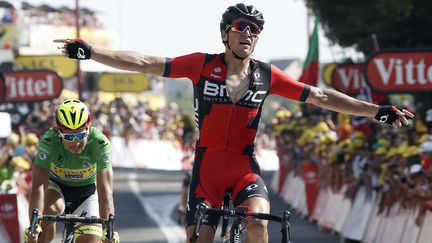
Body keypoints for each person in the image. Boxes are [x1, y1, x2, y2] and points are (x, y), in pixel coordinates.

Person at [54, 3, 413, 243]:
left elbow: (320, 96)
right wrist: (92, 52)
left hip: (244, 168)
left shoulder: (268, 76)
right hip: (207, 169)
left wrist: (375, 110)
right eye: (242, 27)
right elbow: (146, 61)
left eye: (256, 30)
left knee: (258, 224)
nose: (249, 34)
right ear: (225, 33)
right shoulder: (200, 64)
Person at [24, 99, 119, 243]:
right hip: (57, 189)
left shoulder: (100, 143)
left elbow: (105, 190)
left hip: (87, 193)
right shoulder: (49, 141)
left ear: (89, 128)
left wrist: (108, 229)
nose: (76, 142)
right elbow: (38, 187)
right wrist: (34, 226)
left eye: (81, 135)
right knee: (48, 213)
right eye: (69, 137)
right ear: (58, 131)